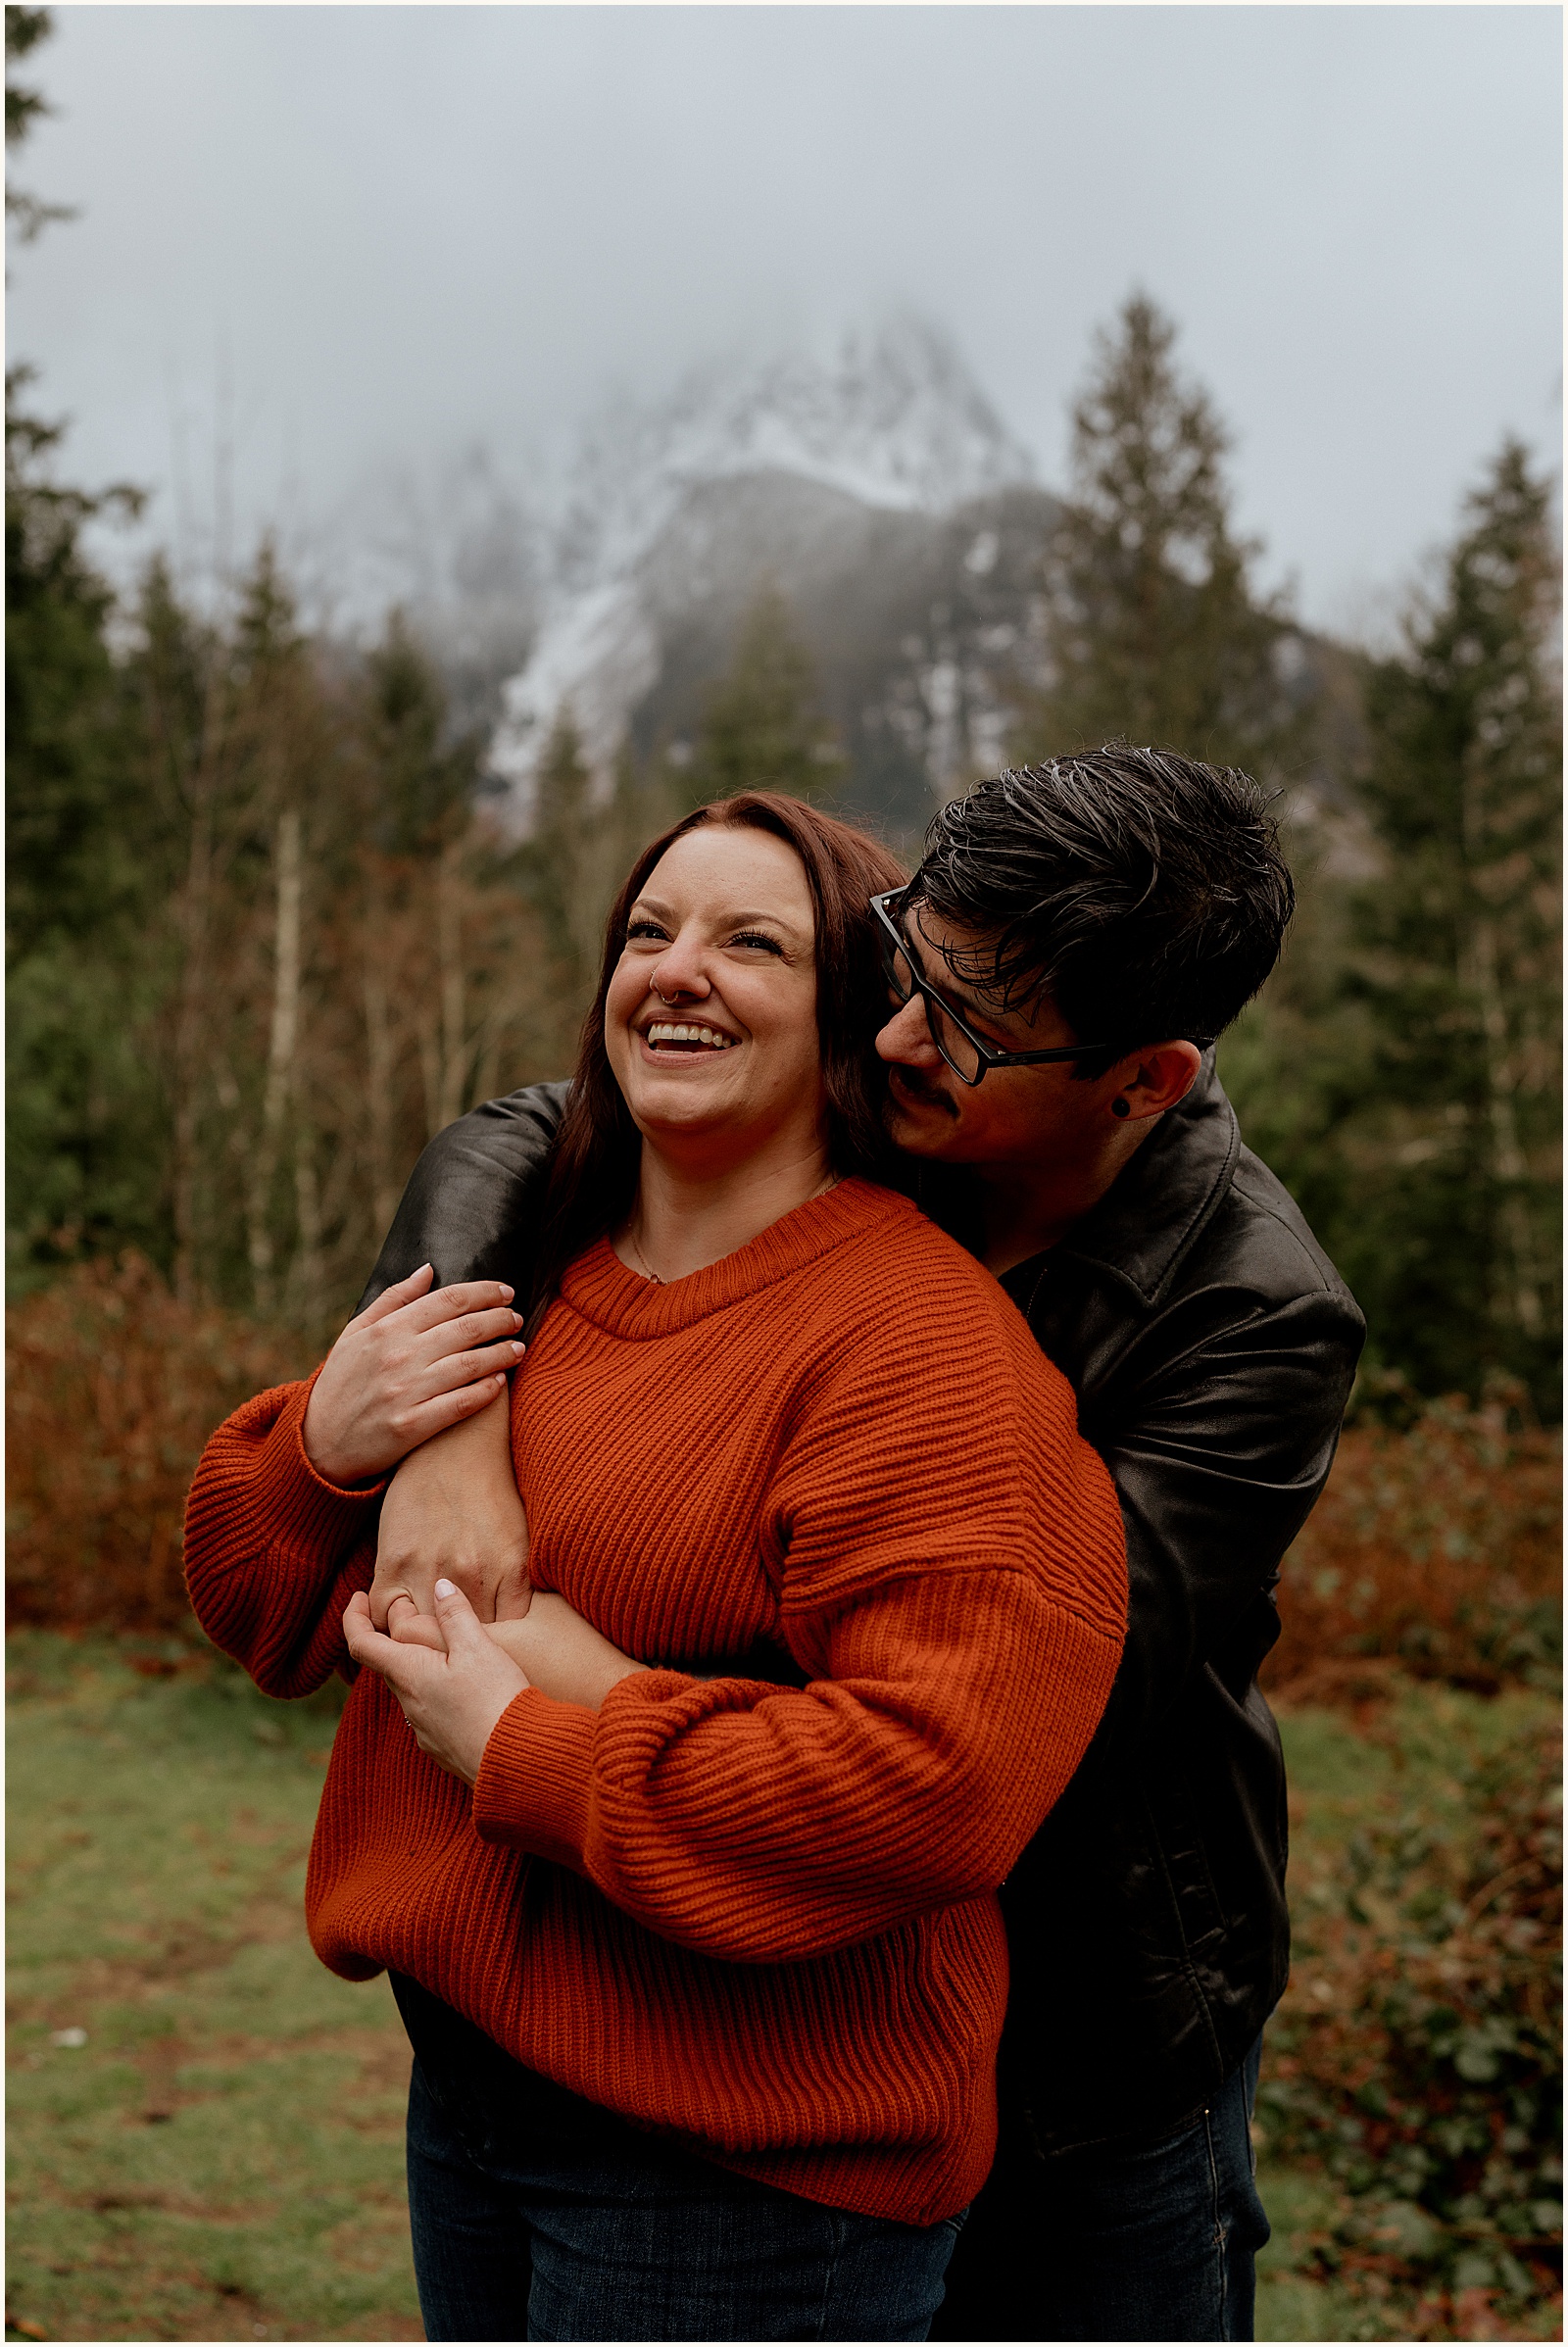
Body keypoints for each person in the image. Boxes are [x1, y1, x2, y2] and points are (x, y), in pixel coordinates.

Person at [359, 746, 1367, 2343]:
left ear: (1144, 1079)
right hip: (766, 1982)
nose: (896, 1033)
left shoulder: (1251, 1313)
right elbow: (521, 1133)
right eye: (909, 961)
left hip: (1085, 2032)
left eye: (968, 1024)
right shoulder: (905, 1097)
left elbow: (1050, 1689)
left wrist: (593, 1696)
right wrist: (447, 1435)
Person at [183, 792, 1128, 2345]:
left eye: (748, 941)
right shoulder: (521, 1275)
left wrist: (530, 1746)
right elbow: (263, 1614)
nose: (676, 969)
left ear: (853, 1016)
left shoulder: (921, 1349)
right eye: (647, 930)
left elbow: (937, 1782)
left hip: (748, 2171)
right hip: (478, 2098)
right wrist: (324, 1453)